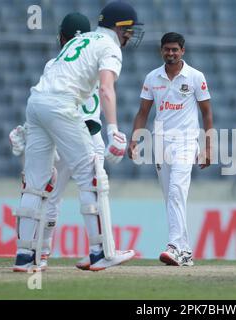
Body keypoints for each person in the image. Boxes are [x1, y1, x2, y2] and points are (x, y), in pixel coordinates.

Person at [11, 1, 144, 272]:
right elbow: (106, 89)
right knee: (92, 175)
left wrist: (26, 128)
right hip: (64, 108)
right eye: (128, 29)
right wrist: (114, 130)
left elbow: (49, 85)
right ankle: (100, 252)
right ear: (119, 27)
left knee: (35, 183)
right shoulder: (109, 46)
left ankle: (25, 256)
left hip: (36, 103)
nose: (130, 35)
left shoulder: (77, 42)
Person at [128, 32, 213, 266]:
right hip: (160, 143)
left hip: (186, 142)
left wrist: (207, 147)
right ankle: (184, 251)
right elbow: (143, 112)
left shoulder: (195, 77)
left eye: (175, 49)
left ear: (183, 51)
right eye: (167, 49)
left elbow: (206, 113)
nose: (171, 53)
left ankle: (174, 245)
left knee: (176, 191)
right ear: (161, 50)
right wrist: (134, 139)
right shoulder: (152, 77)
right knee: (171, 197)